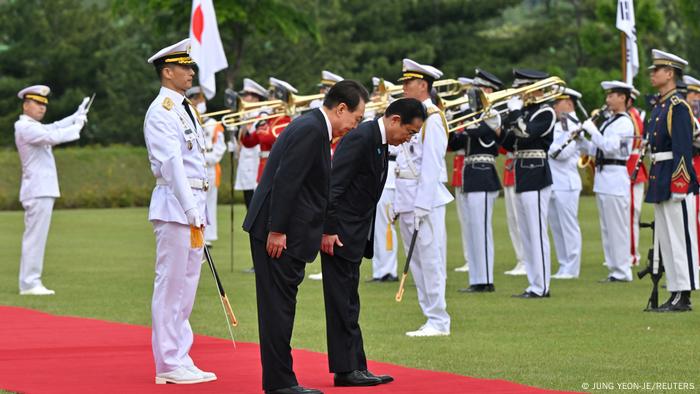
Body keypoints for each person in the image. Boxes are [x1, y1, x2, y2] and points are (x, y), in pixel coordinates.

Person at [243, 80, 368, 394]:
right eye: (357, 117)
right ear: (341, 108)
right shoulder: (312, 130)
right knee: (277, 309)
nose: (356, 125)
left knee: (281, 307)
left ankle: (280, 380)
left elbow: (313, 186)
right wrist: (277, 230)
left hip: (287, 231)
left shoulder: (313, 127)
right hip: (279, 233)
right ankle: (280, 382)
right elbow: (288, 180)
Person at [320, 98, 426, 387]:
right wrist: (328, 230)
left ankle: (356, 366)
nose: (408, 139)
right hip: (339, 234)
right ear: (394, 120)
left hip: (353, 234)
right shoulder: (361, 138)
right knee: (342, 303)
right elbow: (334, 185)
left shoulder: (378, 141)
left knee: (350, 301)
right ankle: (346, 369)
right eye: (409, 131)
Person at [144, 38, 216, 384]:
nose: (190, 72)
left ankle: (180, 356)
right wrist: (190, 207)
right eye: (184, 67)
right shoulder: (162, 111)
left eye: (191, 66)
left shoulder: (186, 108)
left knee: (186, 288)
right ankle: (167, 363)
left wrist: (197, 207)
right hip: (176, 208)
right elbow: (171, 164)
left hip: (192, 207)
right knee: (171, 286)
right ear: (167, 71)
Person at [394, 58, 454, 336]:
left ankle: (439, 320)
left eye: (408, 83)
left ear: (423, 84)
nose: (404, 87)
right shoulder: (413, 117)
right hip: (406, 196)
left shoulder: (433, 118)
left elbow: (431, 165)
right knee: (416, 262)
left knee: (430, 260)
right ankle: (429, 316)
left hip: (424, 200)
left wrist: (421, 204)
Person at [15, 85, 89, 296]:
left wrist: (75, 115)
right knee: (34, 239)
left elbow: (53, 127)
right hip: (37, 190)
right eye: (37, 103)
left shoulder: (34, 126)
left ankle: (31, 281)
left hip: (41, 190)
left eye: (43, 105)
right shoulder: (25, 127)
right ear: (26, 105)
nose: (41, 108)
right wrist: (77, 125)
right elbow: (53, 136)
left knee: (37, 238)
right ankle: (29, 283)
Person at [645, 49, 699, 312]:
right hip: (660, 176)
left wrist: (680, 182)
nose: (653, 74)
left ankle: (684, 294)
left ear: (670, 74)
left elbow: (682, 148)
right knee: (667, 240)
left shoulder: (678, 106)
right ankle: (675, 291)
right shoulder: (660, 106)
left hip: (675, 178)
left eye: (657, 70)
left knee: (681, 239)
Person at [499, 69, 556, 298]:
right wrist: (502, 120)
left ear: (534, 88)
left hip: (537, 171)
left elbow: (526, 134)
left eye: (522, 88)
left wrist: (514, 114)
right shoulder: (523, 112)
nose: (518, 93)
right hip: (522, 172)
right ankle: (534, 283)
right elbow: (507, 142)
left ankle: (542, 285)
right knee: (526, 232)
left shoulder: (546, 112)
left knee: (537, 231)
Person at [448, 69, 503, 292]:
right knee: (472, 229)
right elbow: (455, 142)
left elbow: (481, 134)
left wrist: (462, 121)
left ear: (488, 91)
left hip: (484, 172)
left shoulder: (493, 115)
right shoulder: (473, 116)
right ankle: (477, 278)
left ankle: (486, 279)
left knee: (481, 228)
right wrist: (448, 124)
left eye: (479, 88)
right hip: (471, 173)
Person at [580, 81, 635, 283]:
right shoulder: (610, 121)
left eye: (612, 95)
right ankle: (614, 269)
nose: (607, 99)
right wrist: (581, 142)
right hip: (604, 178)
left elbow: (610, 147)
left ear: (623, 98)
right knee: (607, 228)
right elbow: (598, 149)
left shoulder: (625, 123)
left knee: (617, 228)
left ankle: (623, 271)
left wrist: (592, 130)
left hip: (615, 176)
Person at [548, 88, 583, 279]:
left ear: (569, 103)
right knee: (556, 226)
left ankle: (572, 267)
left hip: (567, 182)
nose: (554, 106)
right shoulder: (559, 124)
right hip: (554, 181)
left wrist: (544, 147)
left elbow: (562, 153)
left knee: (568, 227)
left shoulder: (573, 125)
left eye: (557, 102)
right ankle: (563, 265)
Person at [368, 77, 400, 282]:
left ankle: (388, 270)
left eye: (379, 93)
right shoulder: (375, 118)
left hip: (391, 173)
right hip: (379, 171)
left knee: (386, 225)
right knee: (377, 225)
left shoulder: (393, 120)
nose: (375, 96)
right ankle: (379, 268)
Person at [186, 86, 226, 247]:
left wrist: (207, 159)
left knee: (209, 203)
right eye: (196, 99)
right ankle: (193, 232)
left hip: (209, 166)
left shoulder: (213, 123)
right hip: (192, 167)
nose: (199, 102)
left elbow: (220, 147)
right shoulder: (188, 119)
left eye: (201, 99)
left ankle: (208, 236)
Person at [626, 88, 648, 267]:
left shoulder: (632, 116)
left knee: (632, 213)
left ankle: (632, 255)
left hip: (632, 165)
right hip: (627, 165)